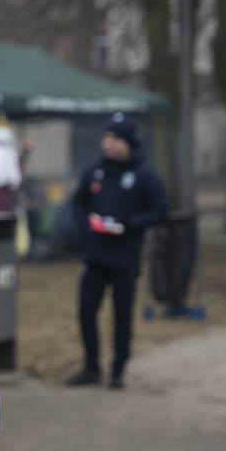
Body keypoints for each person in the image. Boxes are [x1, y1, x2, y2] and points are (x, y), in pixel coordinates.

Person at [67, 113, 168, 389]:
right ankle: (91, 366)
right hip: (95, 254)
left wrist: (129, 224)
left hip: (125, 257)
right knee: (87, 309)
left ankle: (118, 369)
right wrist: (86, 225)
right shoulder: (95, 169)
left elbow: (160, 210)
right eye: (106, 138)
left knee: (122, 314)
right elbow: (78, 202)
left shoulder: (144, 173)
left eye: (114, 138)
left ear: (127, 141)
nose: (108, 144)